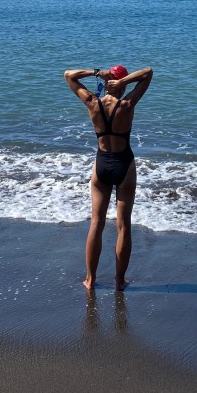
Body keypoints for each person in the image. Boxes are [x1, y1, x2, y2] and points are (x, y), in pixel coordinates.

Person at [64, 65, 153, 291]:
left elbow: (69, 75)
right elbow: (148, 73)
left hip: (102, 164)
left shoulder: (93, 102)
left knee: (96, 223)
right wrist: (124, 82)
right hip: (124, 164)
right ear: (122, 85)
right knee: (124, 226)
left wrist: (96, 72)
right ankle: (119, 280)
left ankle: (90, 279)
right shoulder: (127, 104)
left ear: (108, 82)